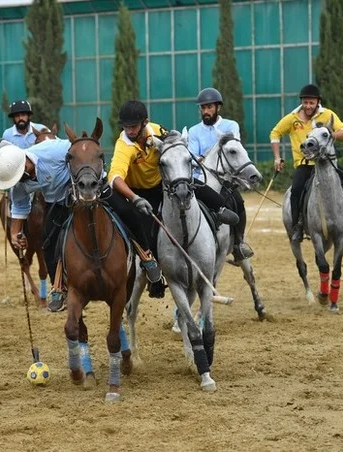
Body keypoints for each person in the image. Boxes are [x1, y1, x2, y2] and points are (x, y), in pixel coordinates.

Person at [107, 100, 239, 299]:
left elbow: (173, 145)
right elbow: (115, 178)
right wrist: (134, 198)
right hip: (139, 193)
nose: (130, 131)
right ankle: (155, 275)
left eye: (133, 126)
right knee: (147, 230)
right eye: (126, 127)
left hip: (163, 184)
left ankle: (220, 208)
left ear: (145, 123)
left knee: (193, 184)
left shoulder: (156, 129)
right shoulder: (124, 146)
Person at [271, 84, 343, 242]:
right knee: (296, 190)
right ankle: (298, 226)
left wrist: (331, 134)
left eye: (311, 103)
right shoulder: (292, 118)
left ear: (318, 102)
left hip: (327, 164)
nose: (308, 106)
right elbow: (275, 133)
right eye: (305, 102)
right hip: (304, 164)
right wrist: (277, 157)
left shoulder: (328, 115)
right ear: (302, 102)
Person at [0, 137, 72, 311]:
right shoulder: (19, 183)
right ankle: (58, 288)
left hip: (81, 193)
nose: (16, 183)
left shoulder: (54, 150)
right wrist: (14, 233)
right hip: (55, 204)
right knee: (48, 244)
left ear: (24, 166)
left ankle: (144, 256)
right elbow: (20, 206)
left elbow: (82, 149)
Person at [187, 87, 253, 265]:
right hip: (201, 179)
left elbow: (233, 149)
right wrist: (201, 159)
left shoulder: (231, 126)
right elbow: (192, 156)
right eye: (203, 108)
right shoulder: (193, 131)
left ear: (218, 107)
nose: (206, 111)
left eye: (209, 107)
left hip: (226, 180)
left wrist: (205, 157)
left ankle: (238, 244)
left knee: (238, 203)